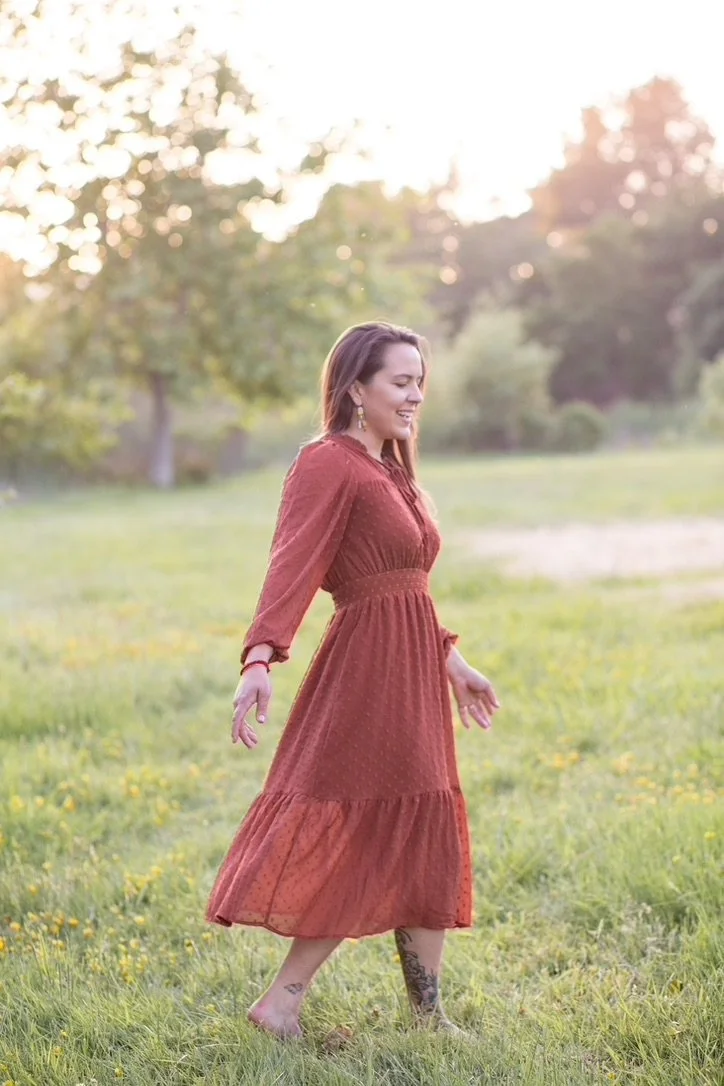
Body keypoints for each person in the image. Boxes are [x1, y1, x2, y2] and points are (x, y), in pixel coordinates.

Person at [206, 320, 500, 1039]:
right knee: (371, 829)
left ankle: (427, 1015)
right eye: (401, 382)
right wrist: (260, 658)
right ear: (355, 389)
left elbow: (406, 587)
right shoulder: (327, 463)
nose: (415, 395)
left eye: (420, 382)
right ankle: (281, 1003)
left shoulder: (390, 466)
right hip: (368, 673)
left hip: (412, 670)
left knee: (423, 824)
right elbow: (292, 565)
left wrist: (451, 660)